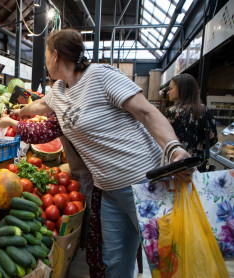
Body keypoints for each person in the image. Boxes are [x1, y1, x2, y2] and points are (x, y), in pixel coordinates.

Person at [11, 29, 193, 278]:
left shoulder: (100, 75)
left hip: (144, 182)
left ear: (55, 55)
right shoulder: (59, 91)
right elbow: (40, 105)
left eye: (44, 55)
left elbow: (147, 112)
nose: (44, 62)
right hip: (108, 190)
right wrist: (19, 113)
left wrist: (174, 148)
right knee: (114, 262)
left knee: (169, 259)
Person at [0, 114, 106, 277]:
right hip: (99, 174)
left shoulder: (68, 109)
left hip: (100, 176)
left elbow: (40, 132)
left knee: (100, 234)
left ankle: (95, 259)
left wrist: (11, 122)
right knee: (101, 235)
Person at [165, 73, 218, 171]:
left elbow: (164, 139)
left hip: (176, 163)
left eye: (171, 88)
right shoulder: (205, 110)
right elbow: (213, 139)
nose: (168, 92)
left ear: (182, 89)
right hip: (199, 164)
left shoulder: (171, 112)